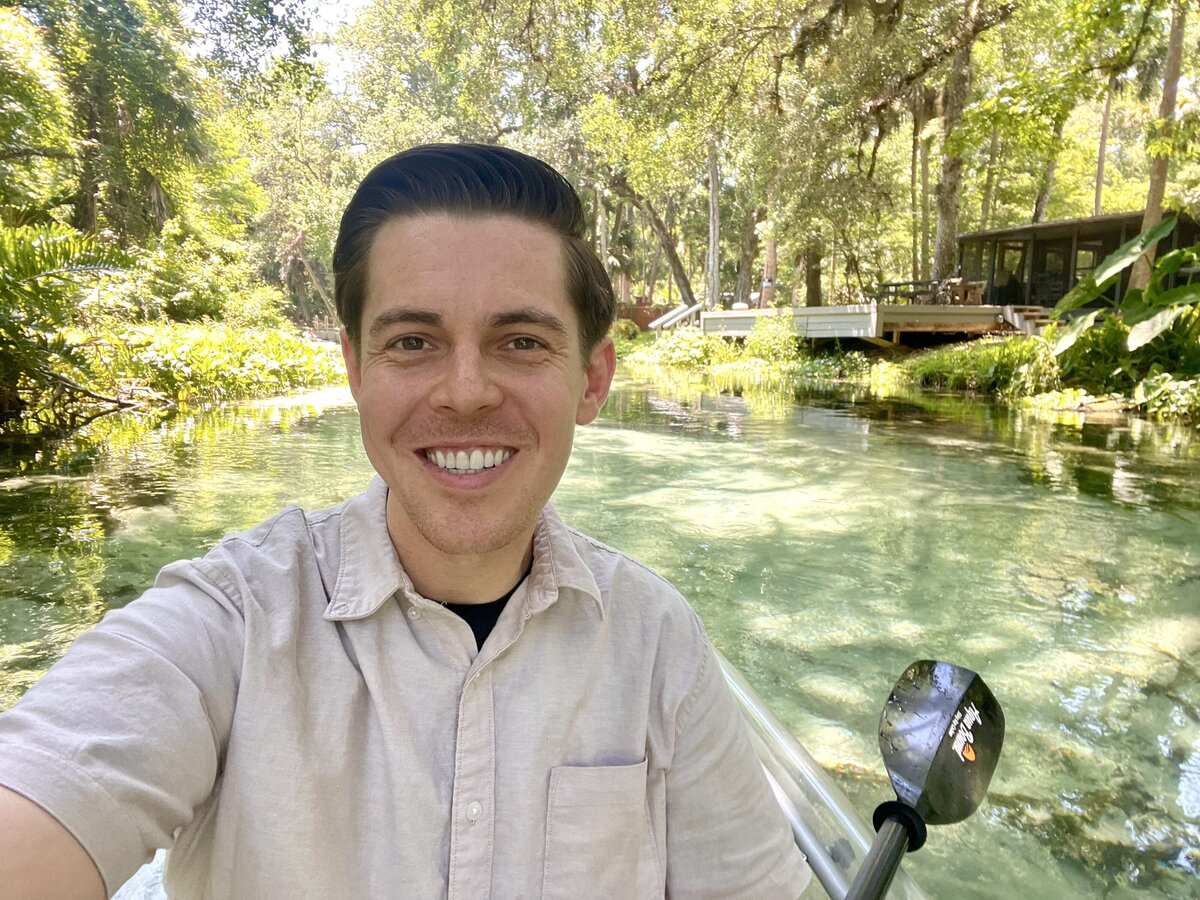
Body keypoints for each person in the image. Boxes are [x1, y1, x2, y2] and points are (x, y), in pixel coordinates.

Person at [0, 144, 811, 899]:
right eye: (415, 341)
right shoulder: (231, 622)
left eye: (521, 341)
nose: (465, 392)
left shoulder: (658, 646)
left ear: (592, 380)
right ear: (355, 368)